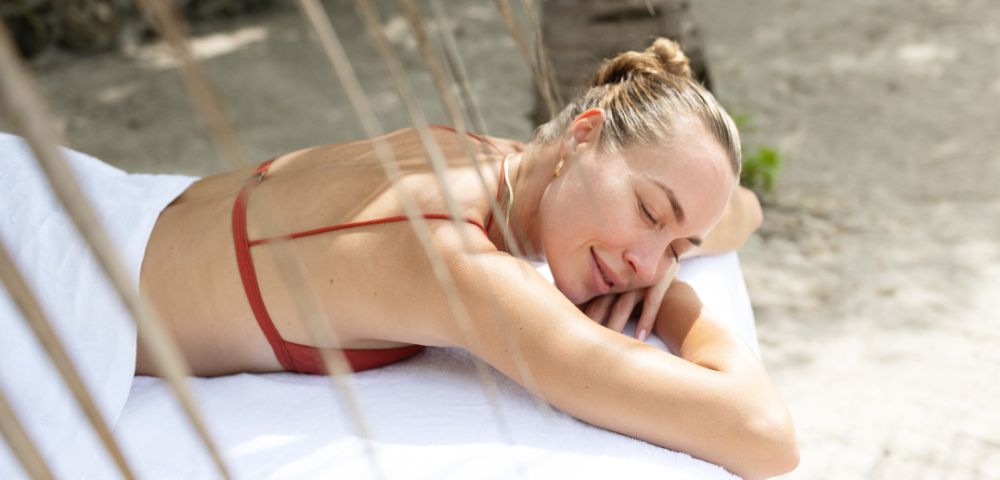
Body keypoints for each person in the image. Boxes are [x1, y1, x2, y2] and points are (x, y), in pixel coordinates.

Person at [132, 37, 794, 477]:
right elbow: (765, 437)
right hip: (70, 307)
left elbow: (742, 210)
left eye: (678, 246)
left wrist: (671, 244)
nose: (647, 265)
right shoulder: (453, 261)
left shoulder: (496, 161)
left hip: (128, 221)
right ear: (584, 138)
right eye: (650, 213)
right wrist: (682, 310)